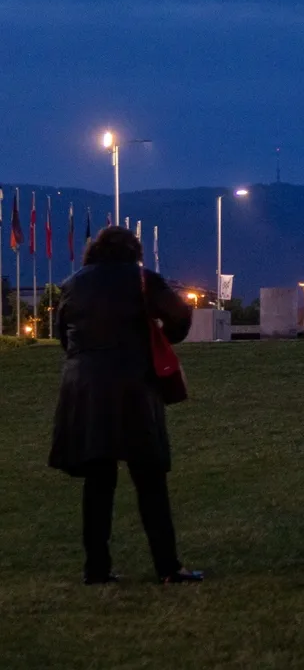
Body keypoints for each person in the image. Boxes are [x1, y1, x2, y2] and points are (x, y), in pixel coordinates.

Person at [48, 226, 203, 584]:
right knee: (149, 479)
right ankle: (167, 566)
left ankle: (96, 569)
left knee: (98, 481)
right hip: (134, 386)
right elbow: (180, 314)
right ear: (134, 251)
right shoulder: (143, 279)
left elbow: (63, 334)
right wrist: (162, 337)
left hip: (84, 388)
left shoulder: (73, 284)